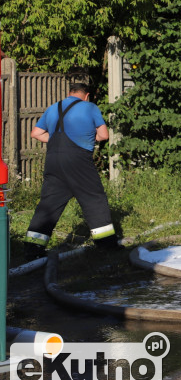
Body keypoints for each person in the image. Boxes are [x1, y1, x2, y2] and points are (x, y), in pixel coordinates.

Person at [24, 83, 120, 260]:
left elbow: (36, 133)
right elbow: (104, 135)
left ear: (69, 94)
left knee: (49, 203)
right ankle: (106, 246)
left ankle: (32, 248)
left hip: (53, 160)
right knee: (94, 199)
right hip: (78, 160)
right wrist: (90, 139)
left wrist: (55, 142)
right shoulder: (90, 107)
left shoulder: (54, 107)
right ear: (86, 95)